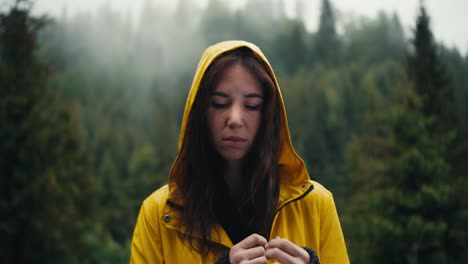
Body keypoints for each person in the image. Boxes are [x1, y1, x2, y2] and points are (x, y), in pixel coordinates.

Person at [130, 40, 349, 263]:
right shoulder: (158, 215)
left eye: (252, 105)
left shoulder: (316, 205)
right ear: (199, 113)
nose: (235, 119)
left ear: (268, 115)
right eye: (219, 103)